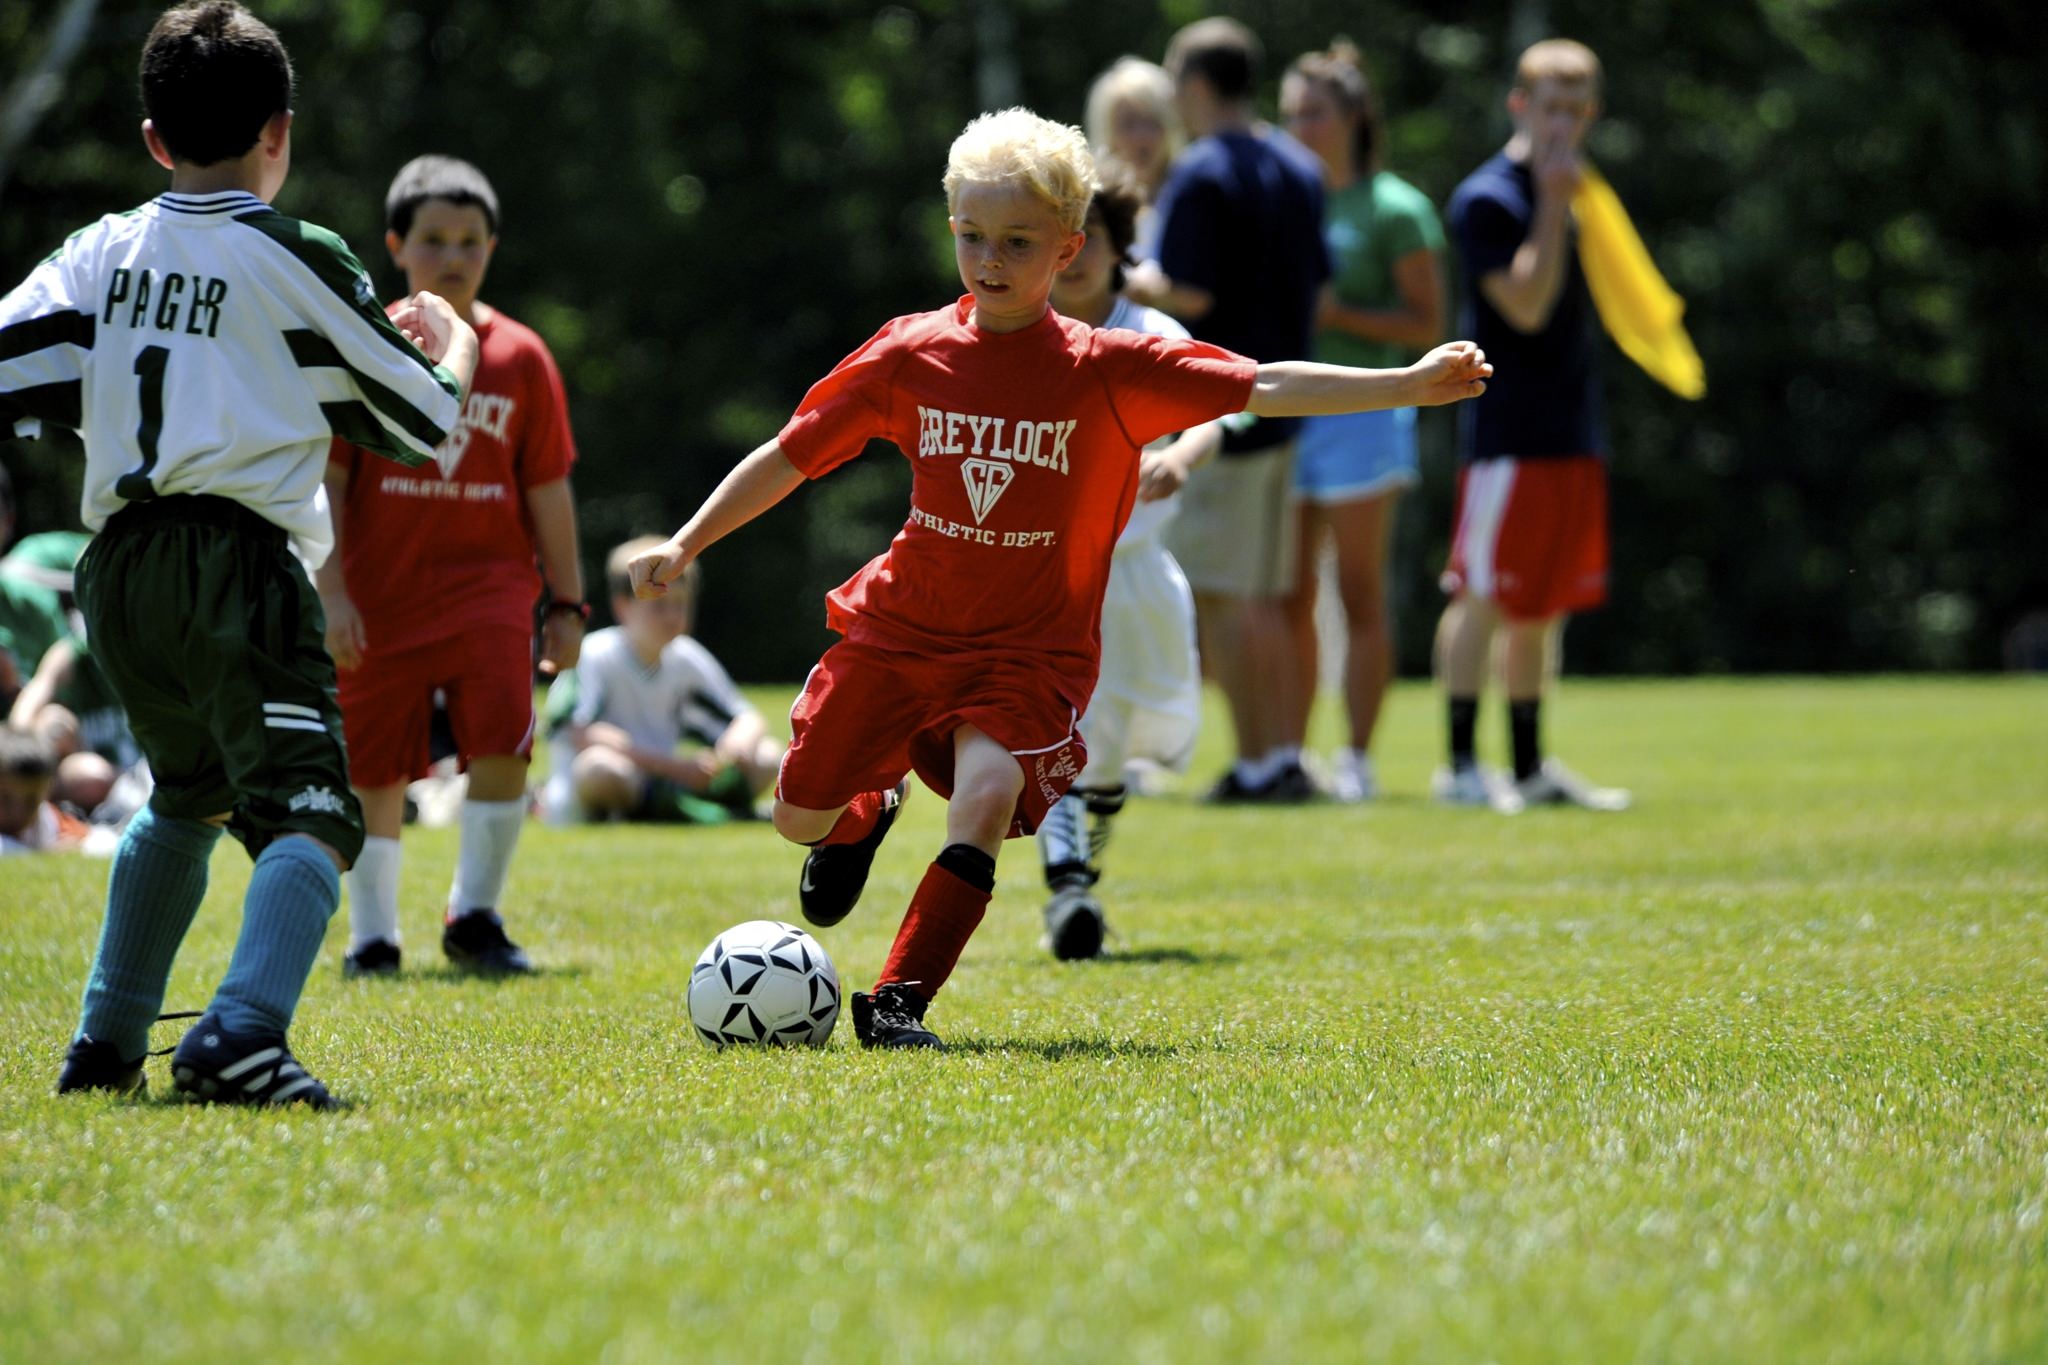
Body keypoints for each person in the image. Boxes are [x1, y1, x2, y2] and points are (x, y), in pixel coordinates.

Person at [627, 107, 1490, 1049]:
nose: (989, 260)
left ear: (1070, 249)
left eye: (1017, 242)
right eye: (971, 237)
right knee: (797, 813)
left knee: (988, 799)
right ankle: (863, 810)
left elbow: (1262, 383)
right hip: (906, 627)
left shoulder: (1106, 369)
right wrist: (689, 539)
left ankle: (900, 1002)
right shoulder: (909, 352)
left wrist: (1405, 382)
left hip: (1028, 652)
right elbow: (790, 454)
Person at [0, 1, 477, 1104]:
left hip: (117, 570)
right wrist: (445, 344)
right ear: (281, 131)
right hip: (239, 564)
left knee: (187, 792)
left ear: (153, 139)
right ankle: (242, 1033)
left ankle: (107, 1043)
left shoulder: (98, 249)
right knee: (311, 807)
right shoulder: (292, 253)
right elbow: (417, 421)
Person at [317, 154, 585, 978]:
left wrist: (568, 605)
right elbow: (324, 481)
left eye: (471, 240)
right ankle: (373, 938)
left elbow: (547, 488)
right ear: (395, 245)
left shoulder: (522, 357)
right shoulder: (362, 348)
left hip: (491, 592)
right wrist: (329, 592)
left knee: (503, 742)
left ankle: (475, 917)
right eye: (432, 239)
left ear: (493, 249)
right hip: (378, 595)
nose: (453, 257)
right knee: (374, 765)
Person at [1125, 17, 1332, 804]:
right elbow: (1317, 284)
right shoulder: (1299, 165)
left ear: (1199, 87)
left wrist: (1127, 278)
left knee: (1227, 596)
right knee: (1267, 595)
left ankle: (1257, 765)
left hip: (1222, 408)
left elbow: (1191, 291)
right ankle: (1283, 753)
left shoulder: (1204, 170)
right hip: (1290, 404)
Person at [1435, 38, 1631, 813]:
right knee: (1481, 593)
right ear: (1520, 105)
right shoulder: (1490, 197)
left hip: (1569, 427)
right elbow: (1525, 301)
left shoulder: (1582, 191)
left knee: (1542, 606)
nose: (1564, 122)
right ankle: (1458, 767)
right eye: (1551, 105)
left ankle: (1527, 767)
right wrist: (1552, 203)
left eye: (1578, 108)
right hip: (1506, 433)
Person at [1034, 163, 1220, 960]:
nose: (1074, 256)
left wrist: (1180, 454)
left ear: (1117, 248)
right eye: (1058, 239)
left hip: (1137, 578)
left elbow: (1220, 407)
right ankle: (1068, 889)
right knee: (1050, 729)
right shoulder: (1021, 329)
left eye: (1092, 237)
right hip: (1047, 577)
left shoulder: (1152, 333)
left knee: (1122, 746)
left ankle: (1087, 848)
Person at [1278, 41, 1447, 802]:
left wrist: (1337, 311)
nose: (1299, 127)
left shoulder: (1396, 208)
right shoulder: (1279, 200)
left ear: (1353, 118)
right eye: (1291, 114)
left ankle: (1357, 758)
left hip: (1364, 420)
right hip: (1285, 413)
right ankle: (1290, 753)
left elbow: (1428, 324)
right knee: (1285, 594)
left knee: (1357, 591)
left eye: (1313, 112)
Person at [538, 536, 783, 825]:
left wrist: (731, 749)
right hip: (623, 779)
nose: (672, 616)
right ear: (622, 607)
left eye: (681, 604)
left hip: (667, 780)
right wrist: (673, 767)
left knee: (768, 755)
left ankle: (683, 808)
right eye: (659, 606)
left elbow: (747, 717)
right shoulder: (596, 653)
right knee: (601, 768)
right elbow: (580, 731)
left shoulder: (684, 656)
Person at [1081, 57, 1182, 254]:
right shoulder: (1090, 208)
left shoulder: (1194, 193)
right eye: (1128, 124)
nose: (1141, 137)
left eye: (1152, 121)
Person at [0, 724, 90, 855]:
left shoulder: (50, 822)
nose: (18, 812)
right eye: (5, 799)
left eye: (31, 801)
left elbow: (92, 841)